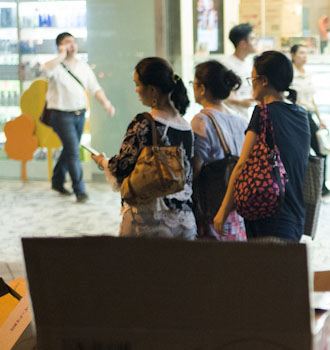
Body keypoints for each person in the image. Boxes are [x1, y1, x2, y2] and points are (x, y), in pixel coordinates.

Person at [92, 57, 195, 239]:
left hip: (150, 217)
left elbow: (120, 166)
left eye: (138, 84)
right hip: (184, 219)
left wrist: (102, 161)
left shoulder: (144, 123)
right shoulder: (186, 127)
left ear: (153, 90)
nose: (136, 90)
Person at [214, 50, 310, 242]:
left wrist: (223, 210)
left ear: (264, 81)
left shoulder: (263, 113)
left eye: (253, 79)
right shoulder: (302, 114)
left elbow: (242, 165)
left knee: (264, 270)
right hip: (296, 212)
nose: (252, 86)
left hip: (268, 212)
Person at [43, 32, 115, 203]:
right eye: (67, 42)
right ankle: (80, 191)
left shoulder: (83, 66)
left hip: (79, 114)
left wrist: (106, 103)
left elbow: (94, 88)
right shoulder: (55, 66)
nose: (72, 45)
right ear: (60, 45)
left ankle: (57, 180)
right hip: (60, 115)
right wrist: (61, 55)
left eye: (74, 42)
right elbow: (46, 70)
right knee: (74, 151)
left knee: (70, 149)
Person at [190, 60, 248, 241]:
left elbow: (195, 168)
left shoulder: (202, 120)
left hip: (212, 208)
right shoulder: (240, 120)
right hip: (235, 209)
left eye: (194, 84)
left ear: (202, 88)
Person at [290, 43, 330, 196]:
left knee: (322, 150)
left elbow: (312, 98)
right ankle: (306, 188)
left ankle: (321, 187)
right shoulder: (290, 75)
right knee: (302, 152)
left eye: (306, 53)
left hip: (309, 115)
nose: (304, 56)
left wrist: (320, 118)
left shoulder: (308, 74)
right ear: (293, 55)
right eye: (301, 53)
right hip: (297, 116)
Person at [222, 23, 257, 117]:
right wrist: (240, 102)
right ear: (242, 43)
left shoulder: (251, 62)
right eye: (252, 39)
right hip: (233, 115)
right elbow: (223, 93)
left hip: (249, 114)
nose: (255, 42)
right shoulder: (226, 65)